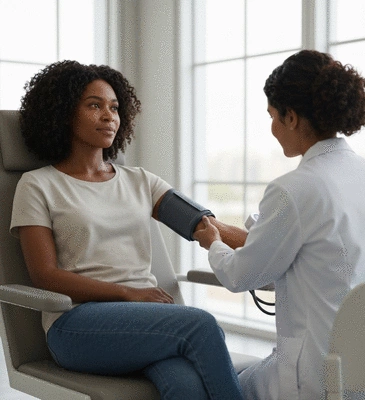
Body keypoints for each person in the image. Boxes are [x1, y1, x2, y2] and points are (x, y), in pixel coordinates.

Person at [10, 60, 244, 400]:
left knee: (185, 386)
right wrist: (127, 293)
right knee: (201, 324)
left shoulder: (140, 180)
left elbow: (206, 226)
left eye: (115, 107)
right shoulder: (37, 185)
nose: (109, 116)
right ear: (63, 113)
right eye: (94, 105)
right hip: (76, 324)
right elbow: (44, 275)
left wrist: (281, 248)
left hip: (146, 320)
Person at [194, 50, 365, 399]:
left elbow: (239, 276)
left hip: (316, 381)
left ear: (290, 117)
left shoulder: (294, 189)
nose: (272, 128)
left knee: (212, 387)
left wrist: (213, 242)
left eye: (273, 116)